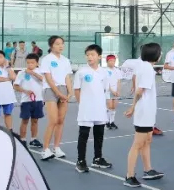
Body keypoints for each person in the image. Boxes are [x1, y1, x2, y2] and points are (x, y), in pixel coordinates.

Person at [123, 42, 164, 188]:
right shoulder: (146, 69)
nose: (161, 54)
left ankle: (148, 170)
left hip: (148, 111)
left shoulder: (146, 67)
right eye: (160, 52)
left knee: (147, 141)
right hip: (144, 112)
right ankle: (129, 176)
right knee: (138, 144)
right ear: (155, 55)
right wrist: (133, 107)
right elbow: (140, 91)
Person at [73, 44, 112, 173]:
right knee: (83, 134)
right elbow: (77, 90)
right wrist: (82, 104)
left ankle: (97, 158)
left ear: (99, 57)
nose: (89, 57)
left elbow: (105, 89)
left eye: (92, 54)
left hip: (100, 108)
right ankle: (81, 161)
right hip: (86, 109)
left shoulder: (104, 72)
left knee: (99, 134)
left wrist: (106, 104)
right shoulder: (81, 72)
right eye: (87, 55)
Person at [39, 36, 73, 161]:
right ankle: (45, 150)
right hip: (50, 90)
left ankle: (56, 147)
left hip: (64, 90)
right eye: (57, 44)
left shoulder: (66, 60)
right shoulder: (46, 59)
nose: (60, 46)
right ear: (51, 45)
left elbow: (67, 77)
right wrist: (58, 93)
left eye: (62, 43)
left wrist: (70, 91)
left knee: (60, 120)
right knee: (53, 120)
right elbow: (48, 78)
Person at [14, 52, 45, 149]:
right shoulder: (22, 73)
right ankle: (22, 140)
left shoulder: (41, 72)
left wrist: (33, 73)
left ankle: (33, 140)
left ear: (37, 63)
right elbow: (15, 86)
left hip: (38, 101)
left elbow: (44, 80)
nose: (30, 65)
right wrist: (25, 91)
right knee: (25, 120)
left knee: (35, 121)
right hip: (26, 101)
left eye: (32, 63)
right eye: (28, 63)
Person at [104, 54, 122, 130]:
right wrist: (112, 91)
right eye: (110, 61)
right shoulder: (105, 71)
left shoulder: (117, 71)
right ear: (107, 61)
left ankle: (112, 122)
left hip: (115, 91)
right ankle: (107, 122)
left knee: (114, 107)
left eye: (113, 61)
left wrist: (118, 91)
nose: (112, 62)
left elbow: (119, 81)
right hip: (108, 91)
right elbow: (106, 82)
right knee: (109, 106)